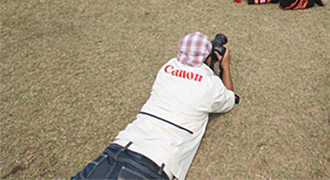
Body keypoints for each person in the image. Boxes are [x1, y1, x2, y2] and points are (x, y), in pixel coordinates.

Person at [71, 32, 237, 180]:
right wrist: (225, 66)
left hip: (119, 148)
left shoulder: (167, 68)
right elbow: (229, 100)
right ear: (207, 57)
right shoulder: (210, 85)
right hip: (154, 164)